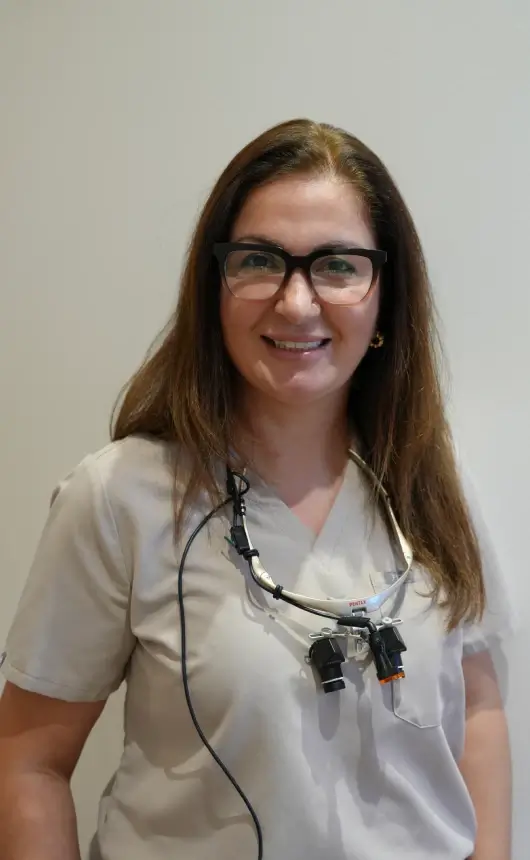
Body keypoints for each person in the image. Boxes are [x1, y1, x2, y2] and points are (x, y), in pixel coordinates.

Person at [0, 118, 512, 860]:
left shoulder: (430, 480)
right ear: (215, 286)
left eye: (338, 265)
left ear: (384, 296)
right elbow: (30, 764)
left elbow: (480, 705)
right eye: (259, 260)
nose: (297, 303)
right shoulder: (118, 499)